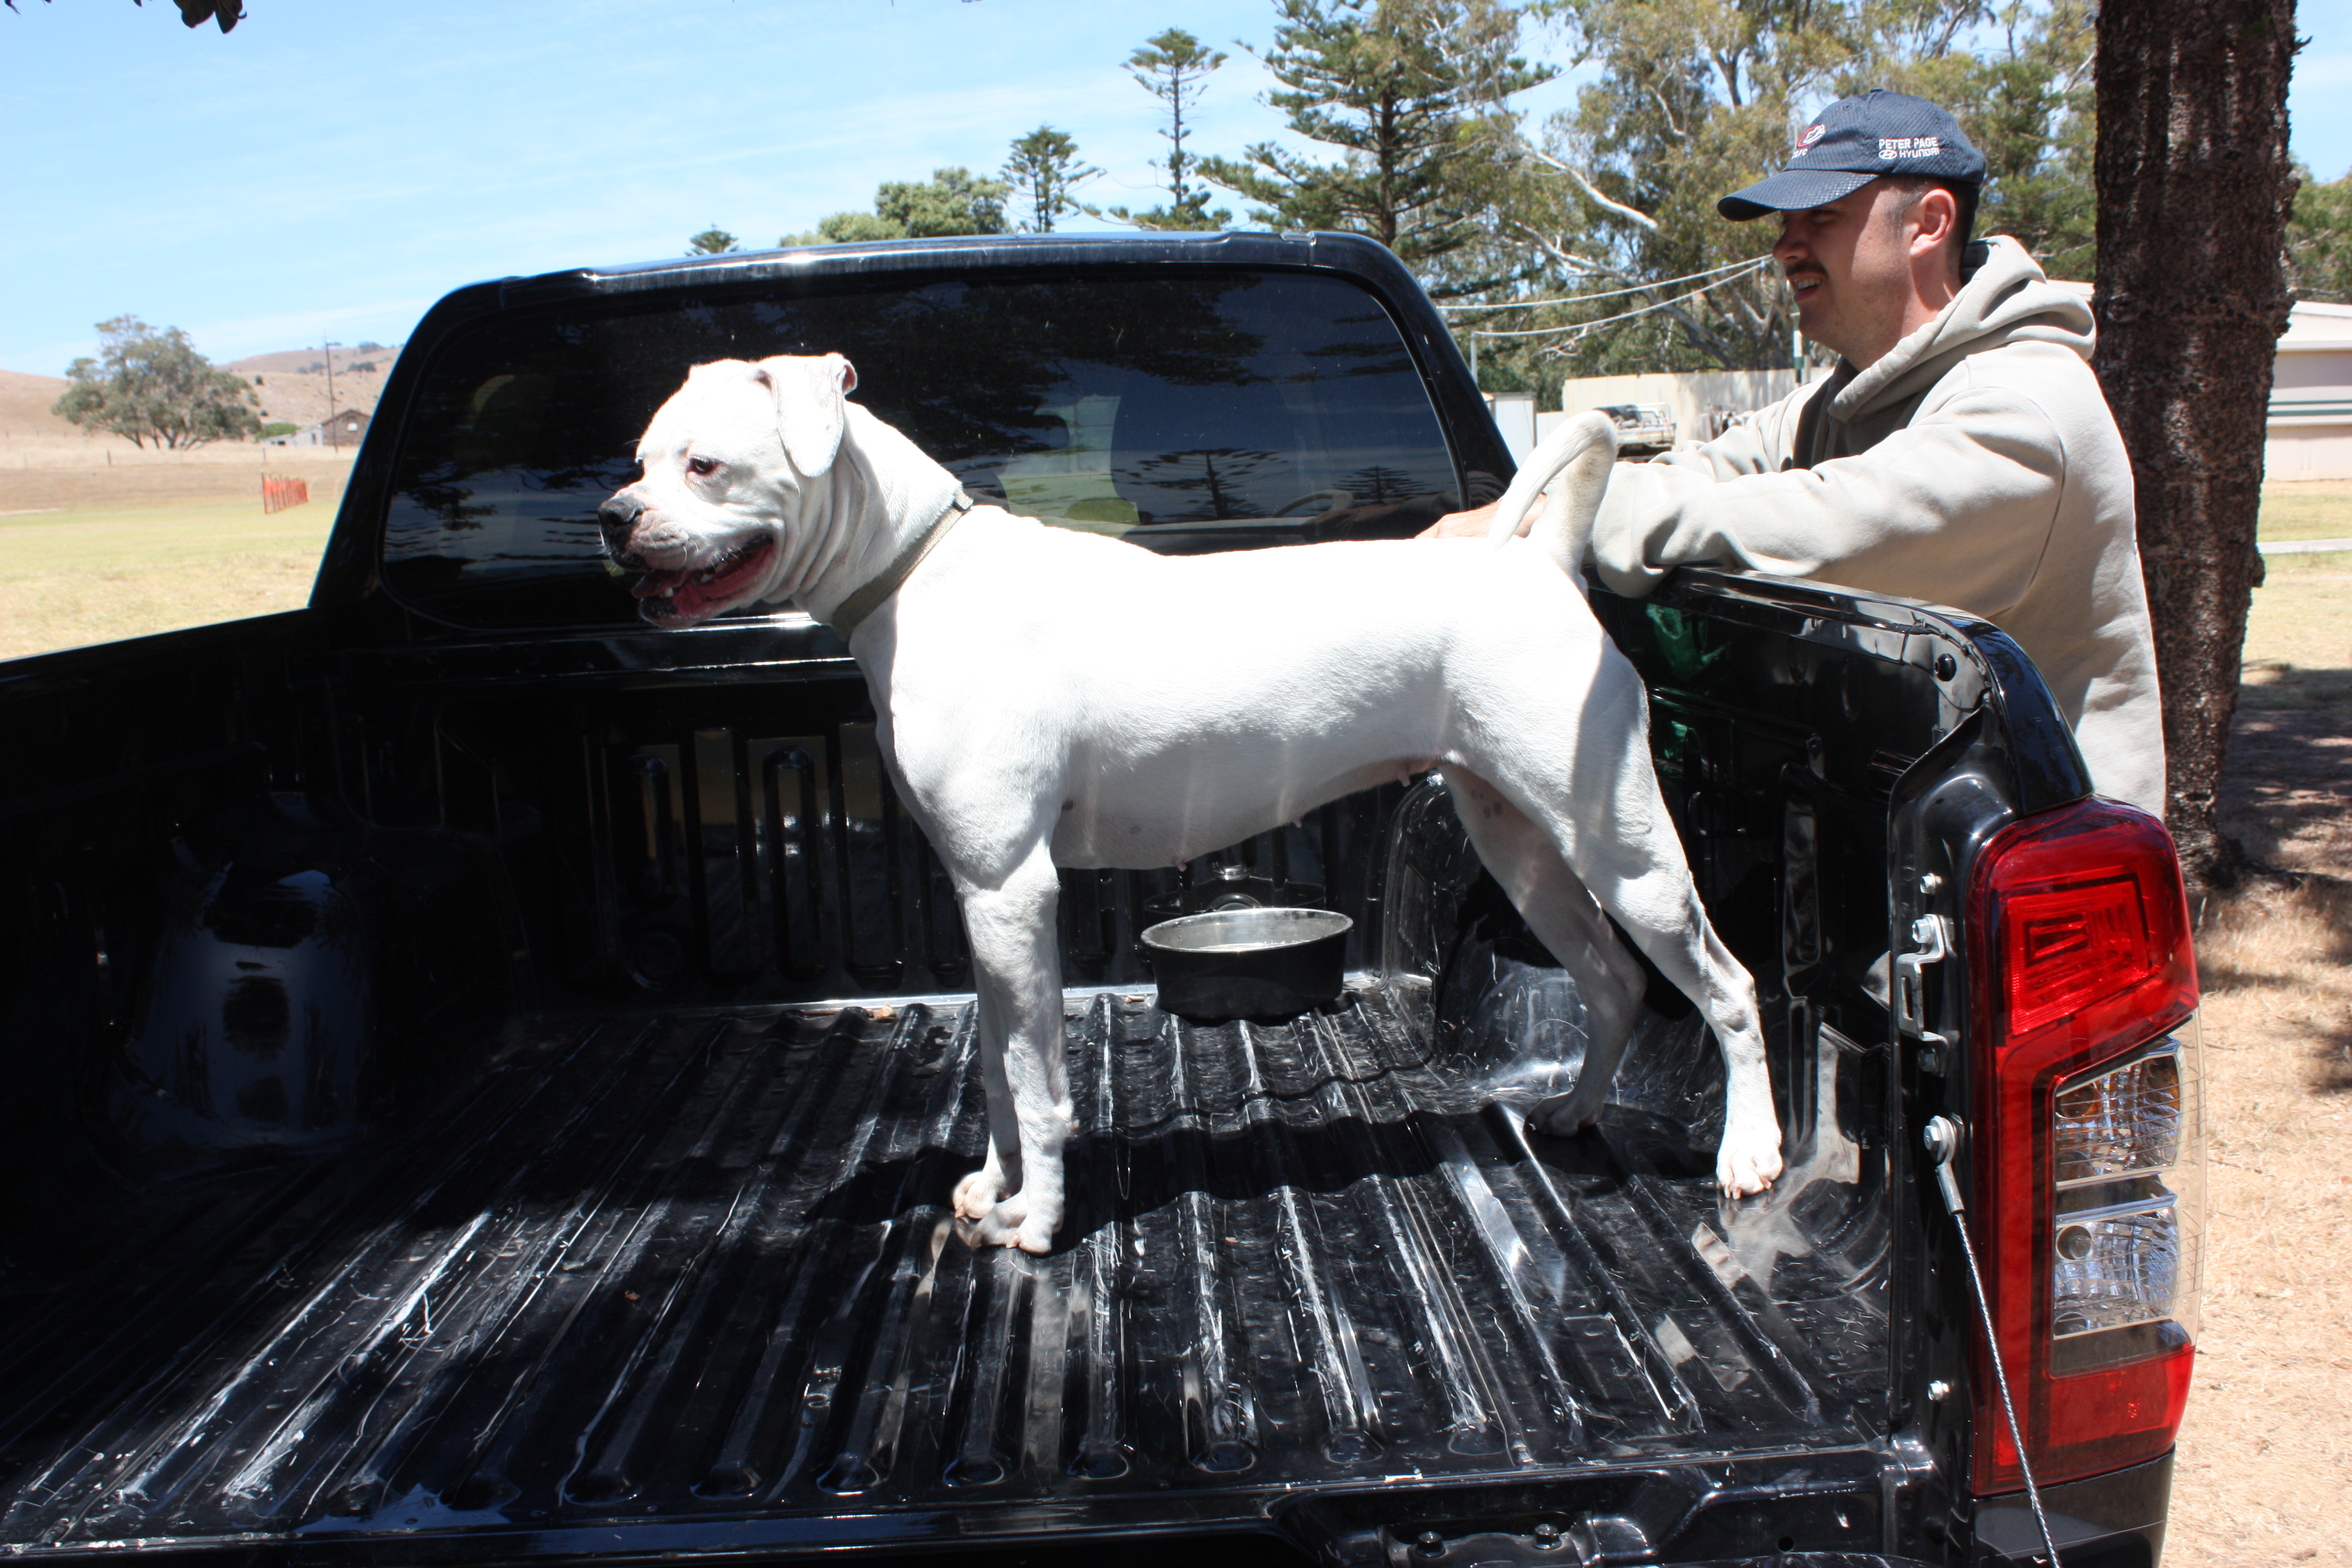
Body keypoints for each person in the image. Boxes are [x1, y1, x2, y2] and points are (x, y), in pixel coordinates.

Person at [1433, 89, 2164, 815]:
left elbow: (1831, 526)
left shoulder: (2028, 409)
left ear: (1929, 223)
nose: (1786, 246)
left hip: (2043, 858)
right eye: (1787, 223)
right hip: (1910, 823)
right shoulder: (1850, 396)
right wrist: (1544, 504)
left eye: (1823, 217)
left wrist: (1582, 518)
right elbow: (1715, 467)